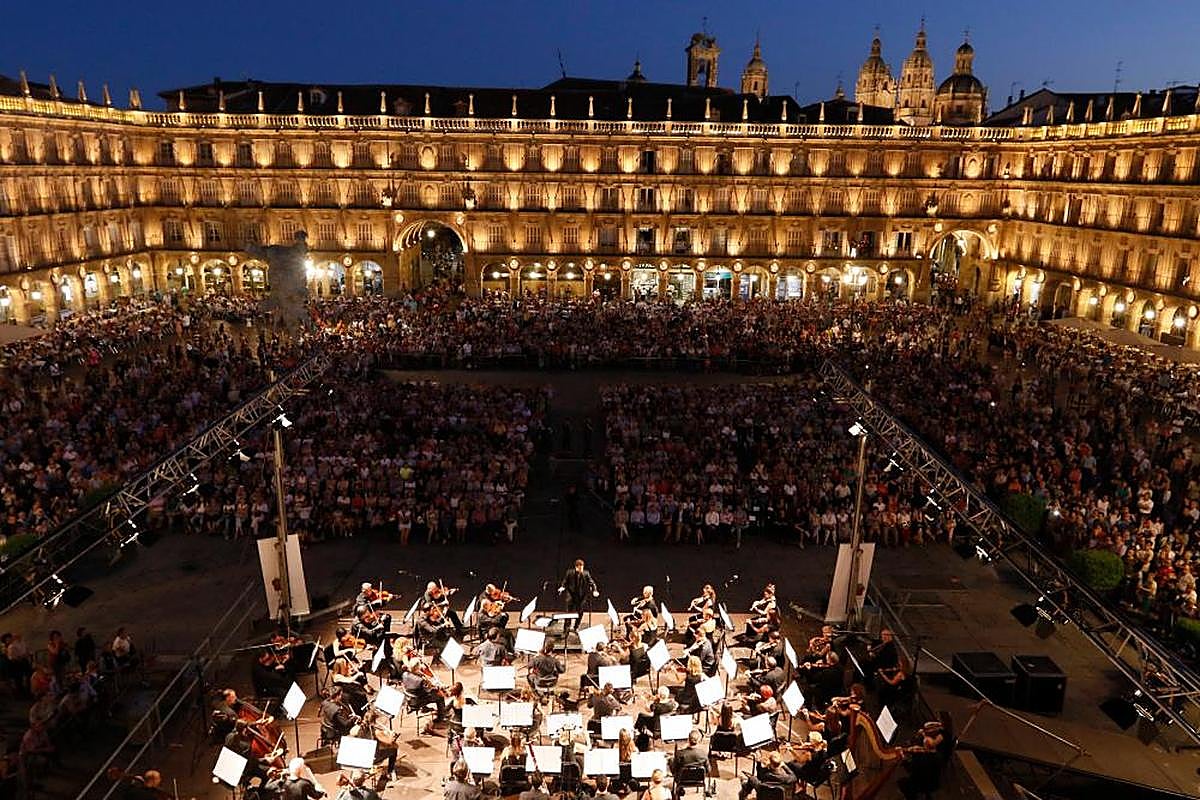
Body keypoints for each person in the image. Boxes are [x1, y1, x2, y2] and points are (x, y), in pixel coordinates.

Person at [558, 559, 599, 632]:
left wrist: (595, 590)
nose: (581, 570)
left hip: (581, 596)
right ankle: (567, 627)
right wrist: (562, 587)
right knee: (568, 611)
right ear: (576, 567)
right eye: (579, 568)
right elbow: (565, 581)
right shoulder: (569, 572)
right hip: (571, 594)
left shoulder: (586, 573)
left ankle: (576, 626)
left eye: (582, 568)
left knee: (580, 612)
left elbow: (592, 583)